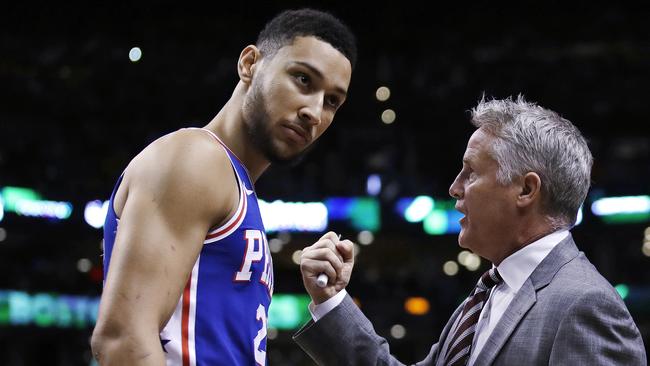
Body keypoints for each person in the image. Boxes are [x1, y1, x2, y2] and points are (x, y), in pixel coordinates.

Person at [90, 8, 356, 366]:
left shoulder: (236, 186)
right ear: (249, 63)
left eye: (332, 101)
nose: (314, 111)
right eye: (303, 80)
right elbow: (124, 341)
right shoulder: (196, 158)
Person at [295, 96, 647, 365]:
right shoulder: (486, 295)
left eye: (471, 172)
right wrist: (332, 302)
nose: (454, 187)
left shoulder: (587, 305)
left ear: (526, 190)